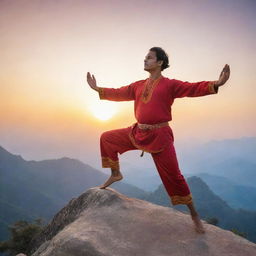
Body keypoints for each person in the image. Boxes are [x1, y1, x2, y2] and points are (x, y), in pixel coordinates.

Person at [86, 47, 230, 233]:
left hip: (160, 136)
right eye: (145, 57)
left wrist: (216, 83)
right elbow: (120, 92)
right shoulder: (138, 85)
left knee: (174, 176)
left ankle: (194, 215)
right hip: (137, 132)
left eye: (149, 58)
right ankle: (116, 173)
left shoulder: (170, 85)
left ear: (160, 62)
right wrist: (97, 89)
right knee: (107, 138)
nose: (145, 60)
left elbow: (191, 88)